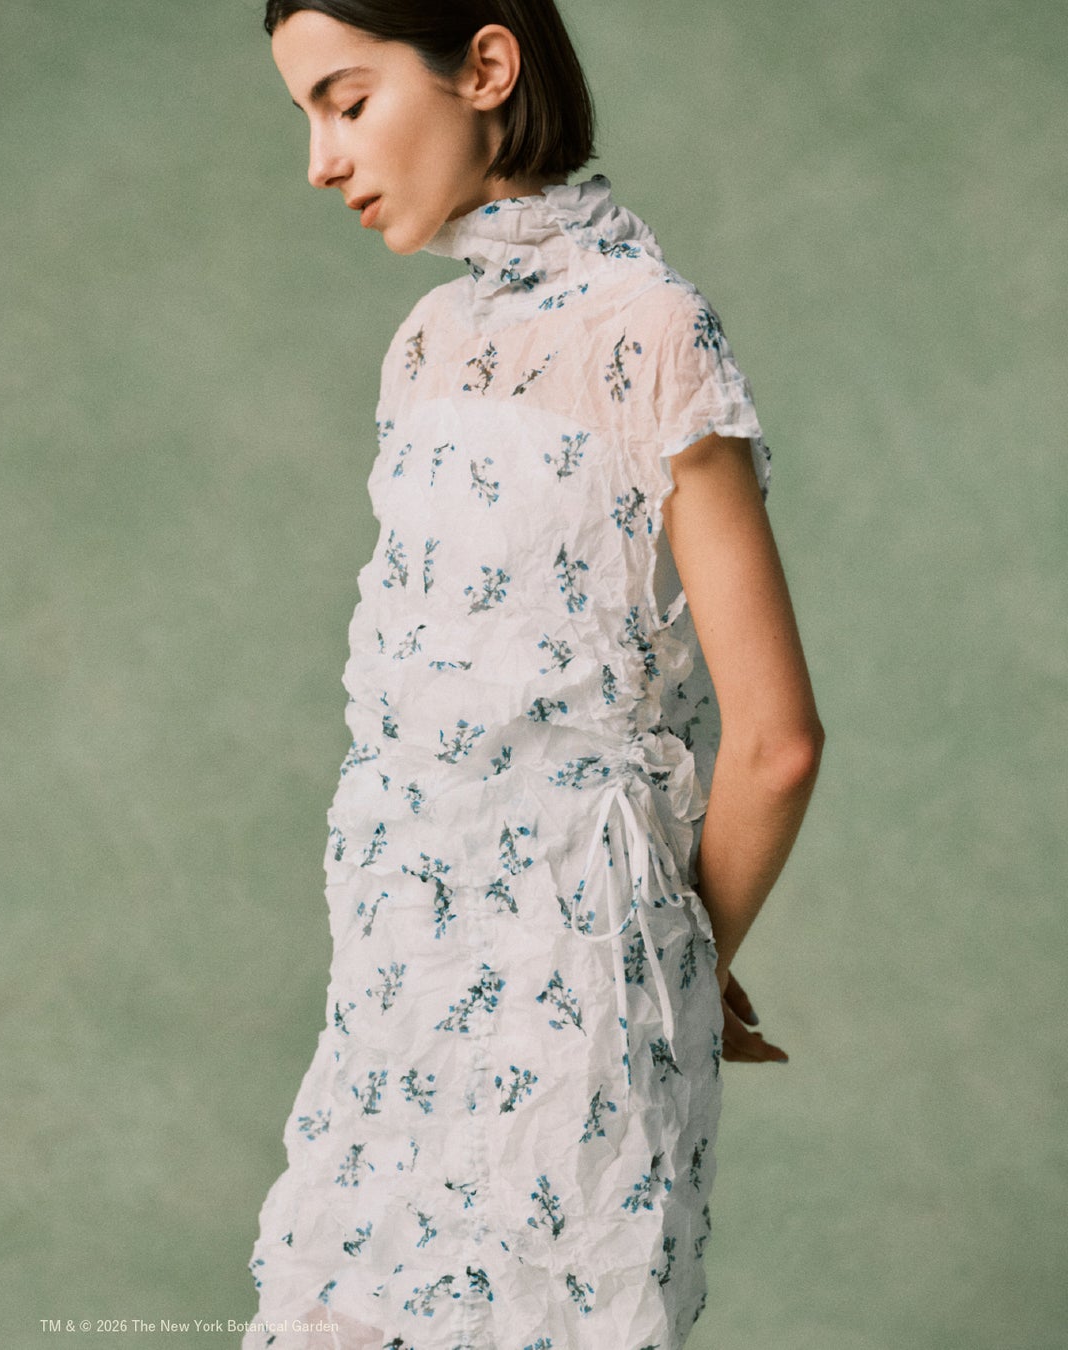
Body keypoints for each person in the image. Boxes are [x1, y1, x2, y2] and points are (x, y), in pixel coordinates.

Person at [244, 2, 824, 1347]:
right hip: (400, 994)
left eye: (346, 102)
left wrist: (673, 959)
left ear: (488, 67)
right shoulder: (431, 344)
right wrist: (689, 956)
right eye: (306, 118)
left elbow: (776, 741)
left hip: (526, 999)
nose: (321, 162)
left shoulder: (642, 333)